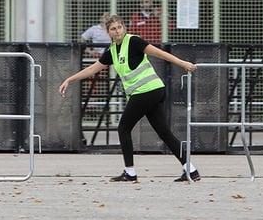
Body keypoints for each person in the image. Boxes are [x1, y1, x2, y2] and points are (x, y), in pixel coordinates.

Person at [59, 15, 200, 182]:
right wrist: (69, 79)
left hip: (147, 91)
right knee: (164, 132)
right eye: (113, 29)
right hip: (151, 91)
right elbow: (92, 69)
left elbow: (160, 53)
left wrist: (182, 63)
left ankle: (130, 173)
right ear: (108, 32)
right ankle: (191, 170)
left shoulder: (134, 41)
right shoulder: (111, 51)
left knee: (123, 128)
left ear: (124, 27)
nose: (117, 31)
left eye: (119, 27)